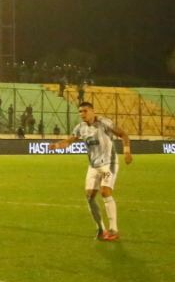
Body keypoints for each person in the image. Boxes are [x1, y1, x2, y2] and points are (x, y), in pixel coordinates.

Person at [49, 101, 133, 241]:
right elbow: (70, 141)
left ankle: (113, 230)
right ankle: (101, 229)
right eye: (80, 112)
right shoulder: (80, 127)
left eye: (85, 111)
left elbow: (123, 134)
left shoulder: (104, 122)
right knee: (89, 197)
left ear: (93, 111)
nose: (82, 114)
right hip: (93, 166)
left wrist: (127, 152)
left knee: (105, 192)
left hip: (109, 163)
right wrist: (57, 145)